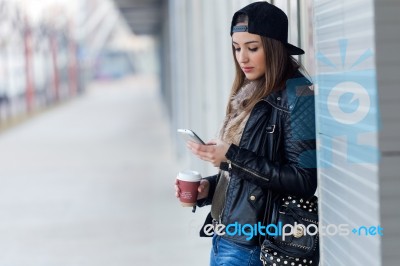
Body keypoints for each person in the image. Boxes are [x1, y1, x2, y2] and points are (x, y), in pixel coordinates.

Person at [174, 2, 317, 266]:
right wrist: (211, 187)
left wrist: (231, 158)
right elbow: (249, 175)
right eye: (237, 48)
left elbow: (304, 179)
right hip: (225, 237)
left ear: (274, 48)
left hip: (255, 246)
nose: (242, 58)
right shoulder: (249, 93)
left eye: (252, 48)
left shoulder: (298, 95)